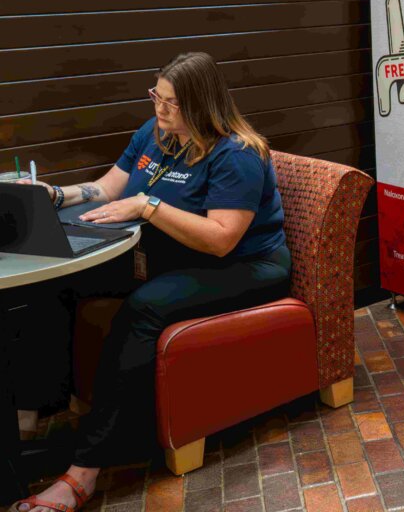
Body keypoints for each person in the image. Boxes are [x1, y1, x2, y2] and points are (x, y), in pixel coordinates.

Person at [15, 52, 290, 512]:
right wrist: (57, 195)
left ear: (202, 105)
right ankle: (27, 427)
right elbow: (108, 188)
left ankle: (84, 472)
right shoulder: (155, 134)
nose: (159, 110)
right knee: (54, 286)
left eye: (171, 103)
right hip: (174, 257)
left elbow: (222, 241)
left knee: (144, 307)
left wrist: (148, 207)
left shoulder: (236, 153)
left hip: (245, 266)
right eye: (155, 96)